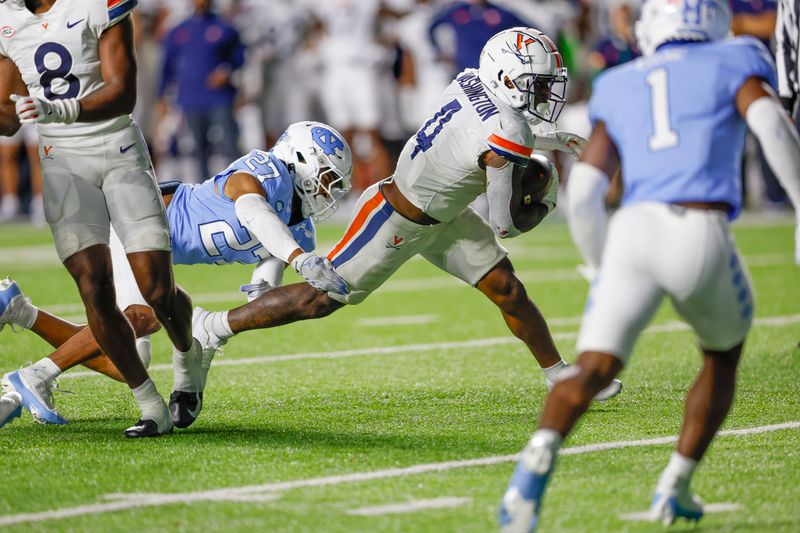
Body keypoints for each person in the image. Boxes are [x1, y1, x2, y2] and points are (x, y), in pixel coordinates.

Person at [190, 27, 623, 402]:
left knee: (508, 288)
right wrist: (541, 202)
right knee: (318, 298)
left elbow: (484, 134)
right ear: (507, 79)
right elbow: (503, 222)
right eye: (538, 85)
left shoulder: (470, 81)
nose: (545, 94)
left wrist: (550, 140)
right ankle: (214, 327)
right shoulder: (507, 132)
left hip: (443, 214)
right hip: (394, 217)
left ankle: (557, 373)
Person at [498, 1, 800, 531]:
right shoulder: (737, 57)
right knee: (721, 358)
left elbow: (587, 192)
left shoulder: (619, 81)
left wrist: (598, 265)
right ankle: (676, 483)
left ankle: (532, 468)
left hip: (633, 232)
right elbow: (773, 127)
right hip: (698, 229)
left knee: (592, 369)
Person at [0, 121, 352, 429]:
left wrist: (266, 293)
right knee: (143, 315)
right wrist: (299, 258)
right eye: (325, 179)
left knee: (130, 361)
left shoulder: (301, 229)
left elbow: (263, 286)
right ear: (300, 159)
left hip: (153, 243)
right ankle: (36, 375)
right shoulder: (267, 171)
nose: (326, 192)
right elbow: (252, 210)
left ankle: (20, 311)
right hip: (137, 217)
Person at [0, 0, 202, 438]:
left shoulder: (96, 4)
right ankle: (151, 406)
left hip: (119, 153)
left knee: (157, 291)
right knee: (94, 288)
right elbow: (6, 117)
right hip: (61, 163)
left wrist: (61, 110)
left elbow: (123, 91)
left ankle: (188, 357)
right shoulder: (7, 21)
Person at [158, 0, 245, 182]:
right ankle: (205, 194)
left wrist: (226, 71)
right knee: (198, 149)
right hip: (191, 98)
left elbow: (239, 57)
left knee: (229, 145)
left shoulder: (224, 27)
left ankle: (241, 184)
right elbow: (166, 66)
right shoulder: (179, 31)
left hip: (219, 97)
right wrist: (162, 97)